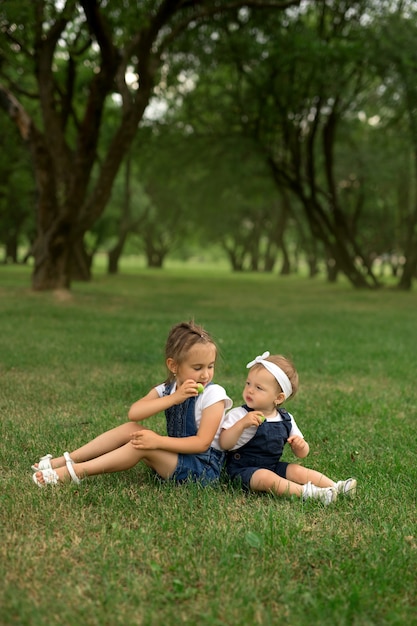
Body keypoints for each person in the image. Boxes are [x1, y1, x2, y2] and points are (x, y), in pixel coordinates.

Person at [32, 321, 233, 487]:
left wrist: (157, 441)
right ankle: (69, 459)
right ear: (173, 366)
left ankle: (74, 472)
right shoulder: (168, 389)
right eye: (197, 367)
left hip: (203, 469)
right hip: (177, 457)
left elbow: (202, 443)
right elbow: (135, 413)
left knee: (141, 445)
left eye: (210, 366)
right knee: (131, 429)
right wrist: (173, 398)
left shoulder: (213, 395)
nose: (205, 374)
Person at [219, 351, 357, 505]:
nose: (250, 390)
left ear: (278, 398)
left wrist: (300, 445)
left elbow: (302, 454)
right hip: (242, 470)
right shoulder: (239, 414)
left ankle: (335, 486)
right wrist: (242, 424)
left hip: (273, 466)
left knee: (297, 471)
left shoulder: (286, 419)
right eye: (248, 383)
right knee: (266, 478)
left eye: (259, 387)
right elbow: (224, 443)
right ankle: (309, 493)